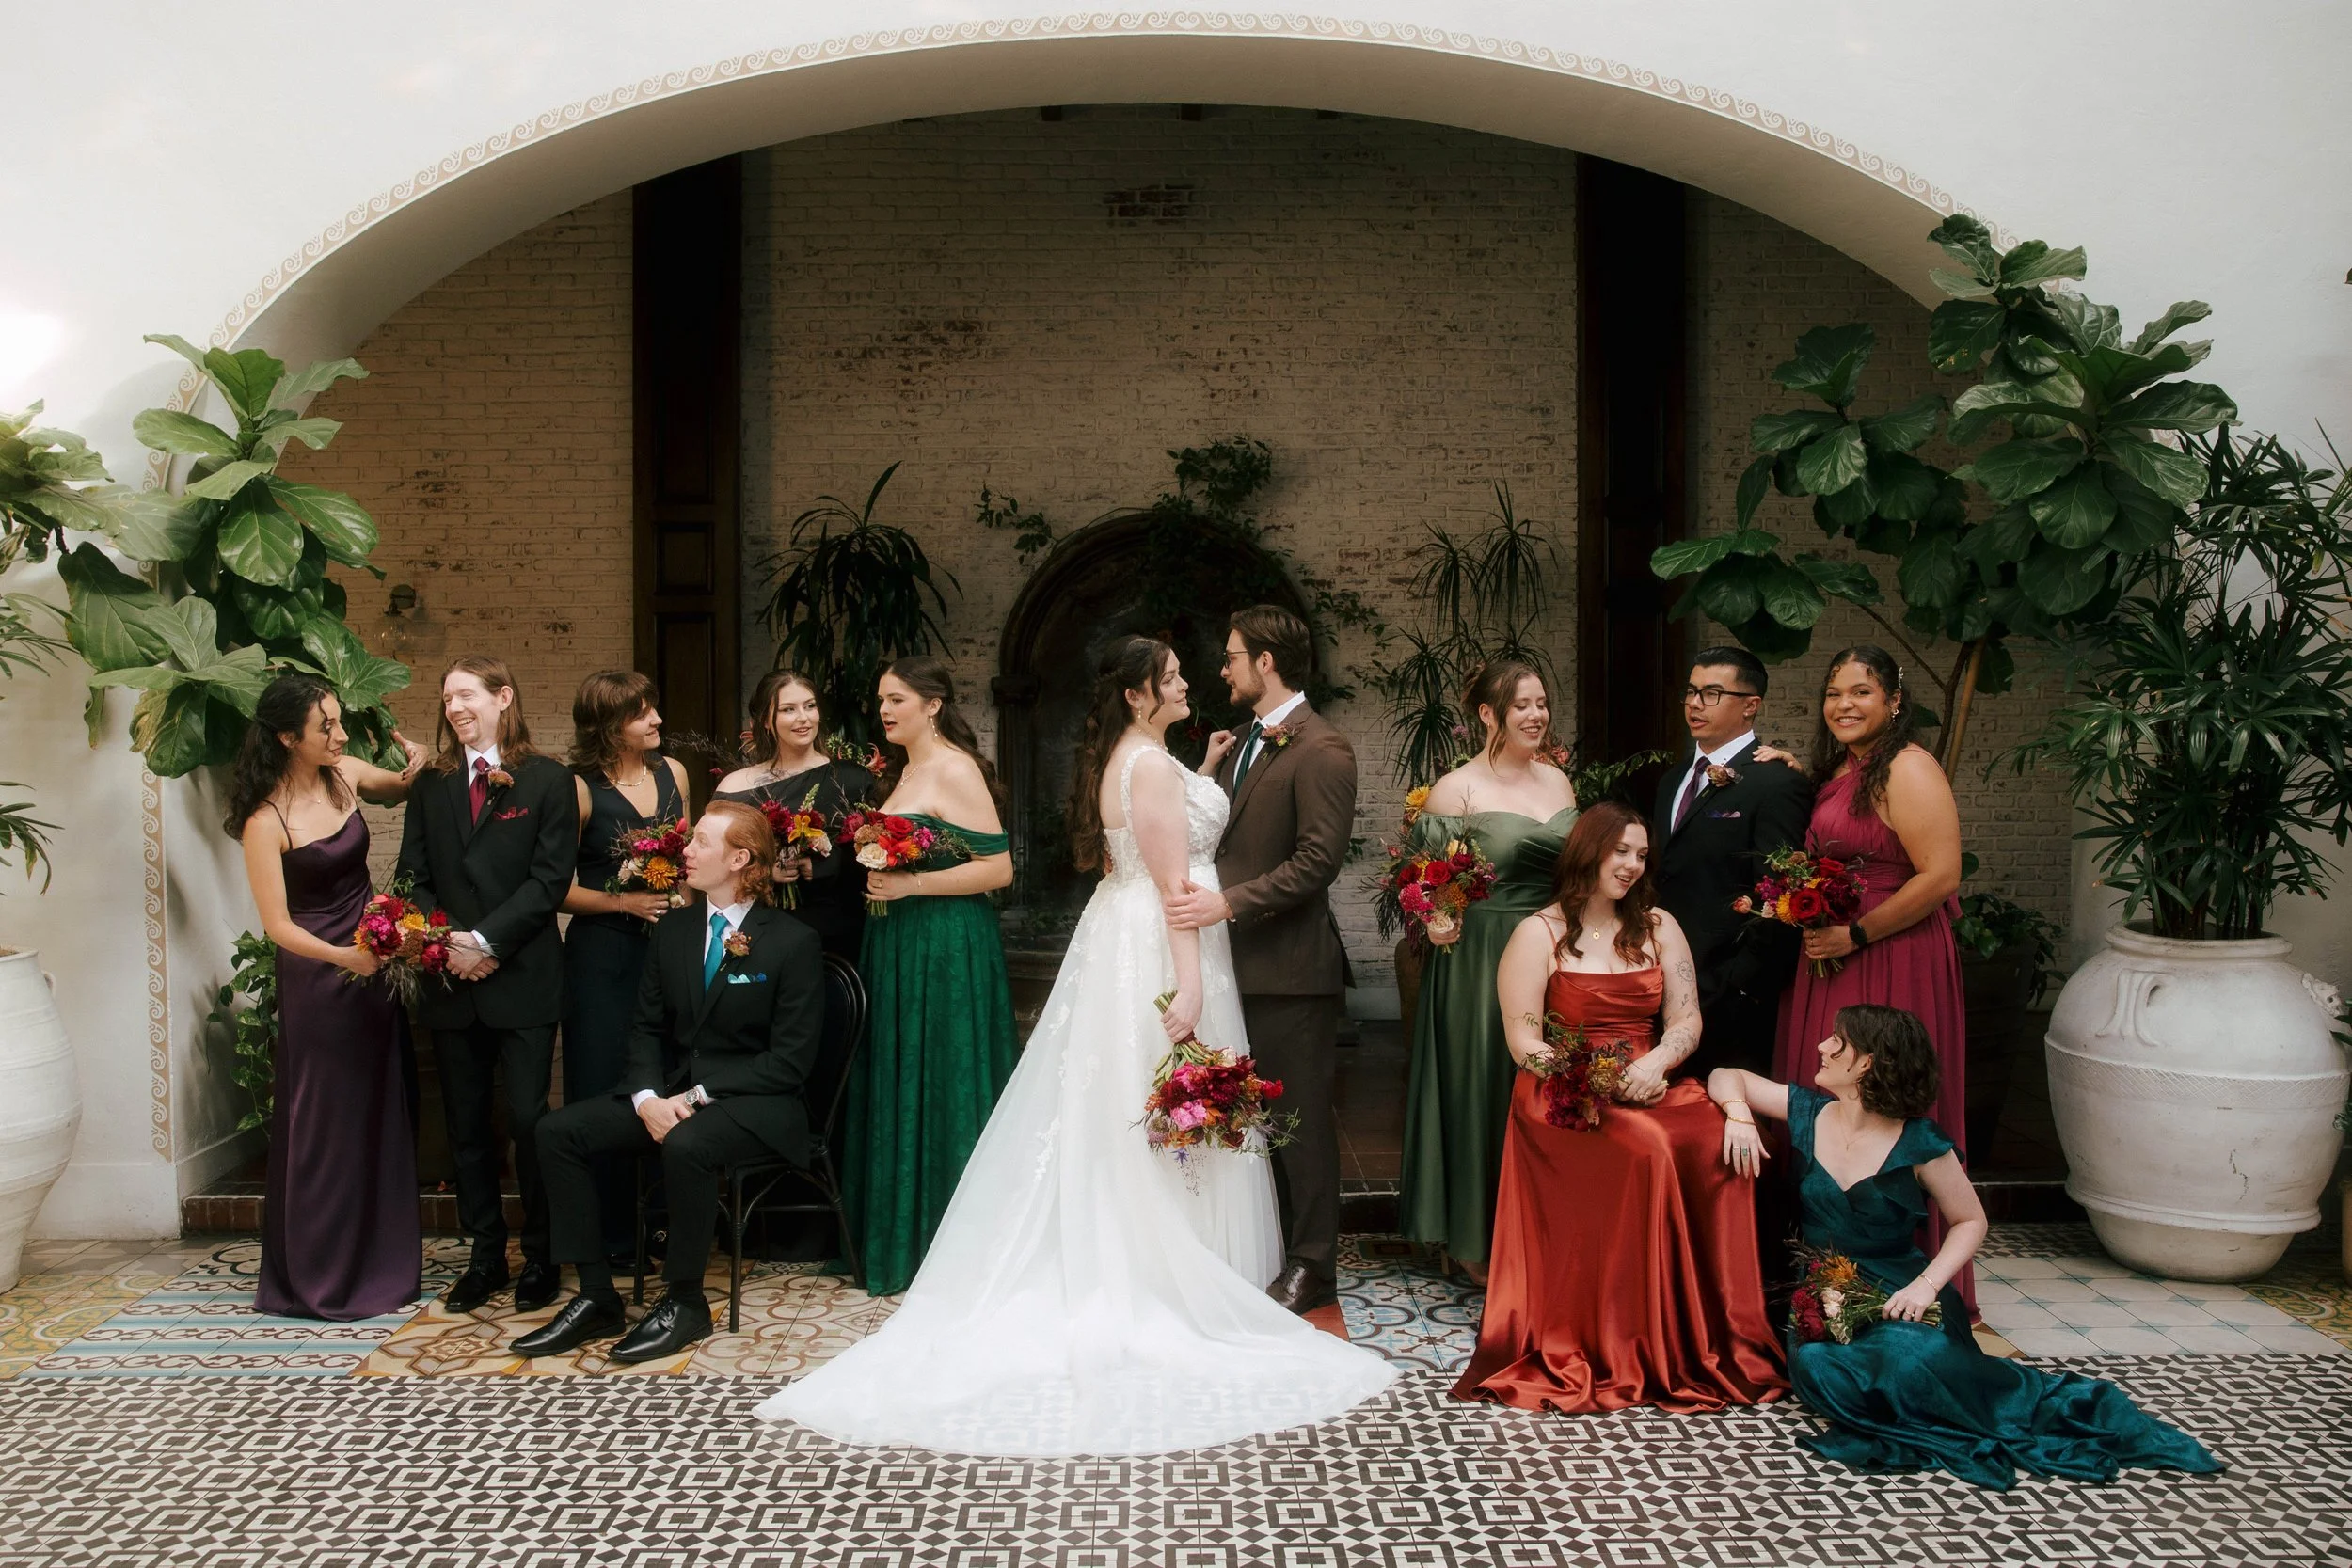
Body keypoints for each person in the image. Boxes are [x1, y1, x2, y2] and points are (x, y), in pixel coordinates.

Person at [755, 637, 1394, 1453]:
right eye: (1171, 677)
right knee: (1162, 1095)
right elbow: (1173, 885)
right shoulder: (1151, 767)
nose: (1188, 680)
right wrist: (1192, 985)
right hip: (1166, 943)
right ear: (1139, 694)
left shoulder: (1136, 757)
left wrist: (1200, 766)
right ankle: (1178, 1270)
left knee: (1119, 1102)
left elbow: (1159, 841)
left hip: (1122, 935)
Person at [1710, 1006, 2222, 1489]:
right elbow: (1724, 1074)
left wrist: (1926, 1285)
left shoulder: (1920, 1143)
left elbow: (1970, 1221)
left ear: (1866, 1063)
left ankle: (1978, 1392)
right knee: (1821, 1367)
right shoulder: (1807, 1110)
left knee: (1914, 1355)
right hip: (1824, 1293)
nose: (1821, 1046)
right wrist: (1737, 1114)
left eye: (1837, 1042)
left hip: (1902, 1286)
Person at [1454, 801, 1785, 1413]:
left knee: (1715, 1136)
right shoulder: (1539, 933)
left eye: (1641, 854)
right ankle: (1634, 1339)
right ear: (1588, 852)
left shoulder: (1659, 925)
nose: (1633, 864)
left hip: (1648, 1074)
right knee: (1650, 1147)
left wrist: (1657, 1063)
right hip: (1565, 1092)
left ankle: (1703, 1333)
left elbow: (1686, 1016)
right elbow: (1524, 1042)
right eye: (1620, 851)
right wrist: (1596, 1078)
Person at [518, 802, 826, 1363]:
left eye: (701, 843)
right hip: (673, 1097)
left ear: (739, 858)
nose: (684, 850)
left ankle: (685, 1302)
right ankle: (596, 1297)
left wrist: (693, 1098)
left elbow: (789, 1063)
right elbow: (645, 1029)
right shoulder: (675, 930)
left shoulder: (791, 942)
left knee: (687, 1145)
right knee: (556, 1132)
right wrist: (645, 1099)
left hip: (757, 1105)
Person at [1166, 605, 1357, 1315]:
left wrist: (1228, 903)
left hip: (1291, 973)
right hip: (1231, 966)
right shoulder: (1245, 738)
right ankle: (1268, 1249)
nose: (1224, 669)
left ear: (1267, 662)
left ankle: (1313, 1268)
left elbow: (1317, 862)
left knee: (1298, 1124)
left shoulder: (1325, 749)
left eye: (1233, 656)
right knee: (1249, 1119)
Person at [1774, 643, 1973, 1311]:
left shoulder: (1911, 768)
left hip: (1891, 951)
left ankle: (1910, 1279)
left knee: (1882, 1094)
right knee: (1828, 1095)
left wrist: (1856, 933)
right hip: (1836, 952)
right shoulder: (1845, 771)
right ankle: (1826, 1275)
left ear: (1894, 699)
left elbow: (1942, 874)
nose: (1844, 704)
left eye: (1861, 691)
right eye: (1834, 693)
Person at [228, 673, 428, 1321]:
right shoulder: (266, 819)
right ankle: (317, 1276)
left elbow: (398, 789)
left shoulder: (344, 775)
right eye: (328, 726)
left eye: (340, 721)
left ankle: (380, 1264)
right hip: (320, 979)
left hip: (371, 972)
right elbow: (278, 925)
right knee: (324, 1124)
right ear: (288, 737)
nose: (342, 734)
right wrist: (345, 955)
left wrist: (416, 762)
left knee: (375, 1113)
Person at [394, 656, 580, 1316]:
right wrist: (449, 945)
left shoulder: (549, 779)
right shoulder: (433, 786)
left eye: (467, 694)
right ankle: (484, 1255)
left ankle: (542, 1253)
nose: (454, 707)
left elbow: (549, 881)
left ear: (505, 696)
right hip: (451, 981)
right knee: (467, 1126)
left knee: (529, 1120)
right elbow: (411, 876)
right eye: (447, 697)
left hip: (523, 976)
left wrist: (487, 941)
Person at [841, 656, 1021, 1297]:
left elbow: (998, 868)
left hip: (945, 948)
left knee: (941, 1071)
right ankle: (901, 1231)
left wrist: (913, 883)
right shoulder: (907, 768)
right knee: (899, 1069)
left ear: (933, 703)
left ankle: (953, 1241)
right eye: (881, 699)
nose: (885, 709)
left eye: (896, 699)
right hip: (897, 940)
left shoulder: (954, 767)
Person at [1397, 659, 1578, 1280]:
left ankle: (1537, 1230)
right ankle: (1474, 1239)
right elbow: (1418, 884)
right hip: (1477, 956)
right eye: (1522, 705)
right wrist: (1436, 917)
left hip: (1550, 949)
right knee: (1483, 1087)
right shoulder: (1457, 790)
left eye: (1541, 703)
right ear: (1487, 715)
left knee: (1540, 1089)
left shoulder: (1559, 785)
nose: (1536, 715)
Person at [559, 671, 690, 1265]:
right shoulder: (579, 789)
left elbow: (688, 863)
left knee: (667, 1076)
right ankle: (610, 1238)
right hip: (602, 956)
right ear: (611, 726)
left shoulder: (674, 774)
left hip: (666, 952)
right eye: (644, 714)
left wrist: (684, 901)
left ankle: (665, 1223)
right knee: (605, 1083)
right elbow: (554, 887)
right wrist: (622, 900)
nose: (658, 721)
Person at [1650, 646, 1813, 1080]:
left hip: (1729, 992)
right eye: (1691, 691)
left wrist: (1740, 985)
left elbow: (1781, 895)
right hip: (1662, 978)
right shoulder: (1671, 781)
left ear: (1750, 705)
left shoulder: (1776, 783)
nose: (1695, 703)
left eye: (1712, 693)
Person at [714, 668, 877, 961]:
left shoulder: (853, 780)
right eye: (788, 709)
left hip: (838, 935)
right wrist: (764, 873)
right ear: (766, 720)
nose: (803, 718)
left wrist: (827, 866)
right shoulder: (736, 786)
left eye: (810, 706)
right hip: (761, 934)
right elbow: (715, 862)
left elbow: (877, 863)